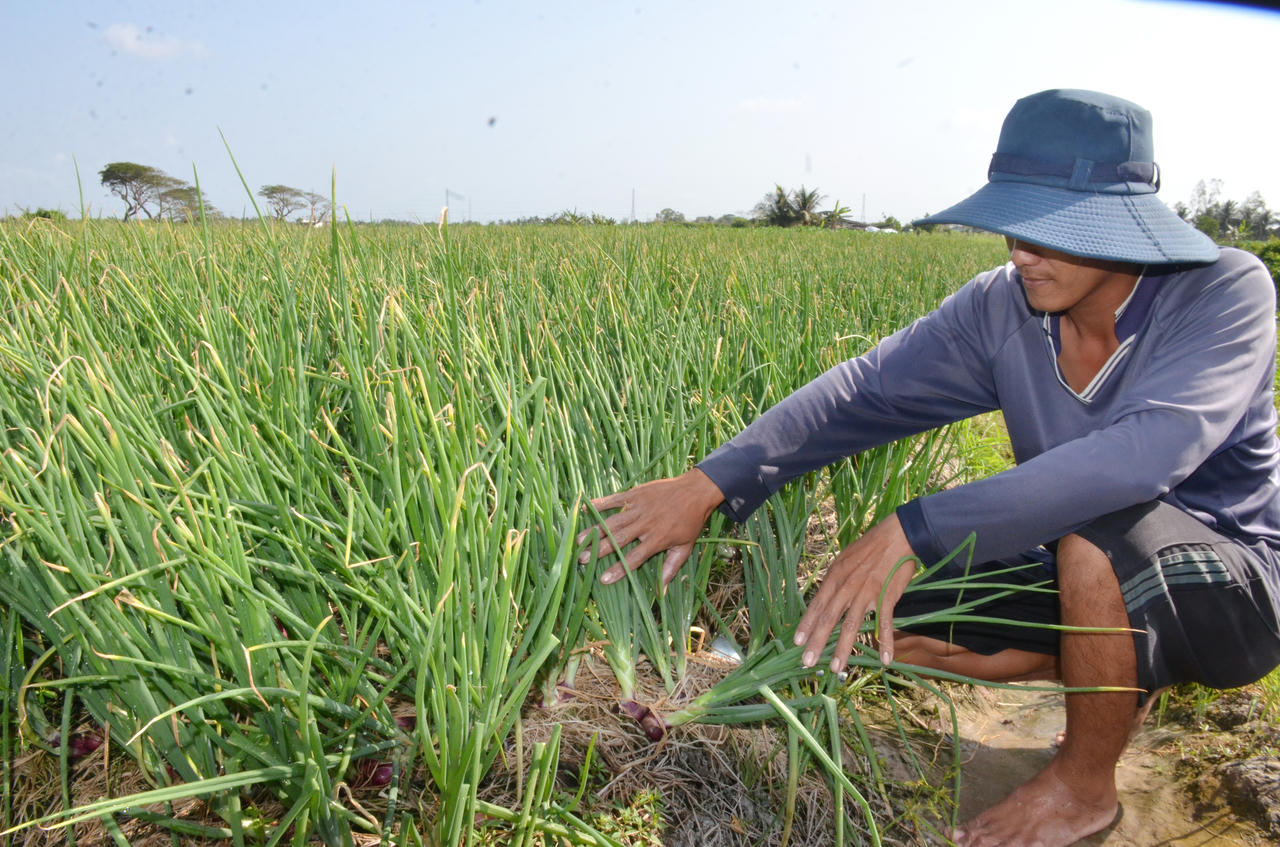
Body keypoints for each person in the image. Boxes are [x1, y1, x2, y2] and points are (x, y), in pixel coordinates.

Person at [577, 88, 1280, 846]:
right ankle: (1114, 674)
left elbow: (1141, 457)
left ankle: (1083, 787)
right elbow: (862, 390)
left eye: (1048, 230)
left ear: (1121, 222)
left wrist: (918, 526)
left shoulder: (1223, 292)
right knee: (879, 621)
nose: (1019, 251)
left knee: (1099, 533)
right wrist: (709, 481)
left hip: (1227, 583)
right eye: (1012, 225)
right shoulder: (1002, 309)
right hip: (1083, 570)